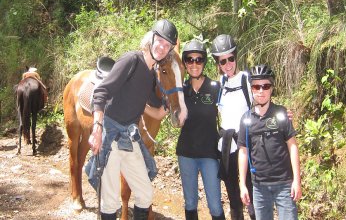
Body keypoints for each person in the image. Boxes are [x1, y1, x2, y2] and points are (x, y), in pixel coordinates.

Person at [89, 19, 180, 220]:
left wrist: (171, 108)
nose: (162, 48)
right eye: (160, 41)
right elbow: (101, 92)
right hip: (110, 133)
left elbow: (152, 112)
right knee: (110, 199)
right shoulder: (131, 60)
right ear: (152, 38)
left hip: (129, 136)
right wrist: (97, 128)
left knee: (145, 193)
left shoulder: (151, 74)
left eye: (167, 46)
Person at [237, 64, 302, 220]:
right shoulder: (246, 119)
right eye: (256, 86)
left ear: (271, 88)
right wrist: (242, 185)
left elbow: (292, 146)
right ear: (251, 88)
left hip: (284, 184)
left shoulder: (281, 113)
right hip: (259, 186)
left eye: (265, 86)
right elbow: (243, 152)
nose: (261, 91)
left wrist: (297, 181)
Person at [176, 39, 225, 220]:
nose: (194, 64)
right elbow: (161, 108)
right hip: (186, 153)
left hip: (209, 154)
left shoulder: (215, 88)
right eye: (189, 59)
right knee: (190, 203)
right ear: (185, 63)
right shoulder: (180, 90)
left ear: (204, 62)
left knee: (215, 204)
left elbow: (237, 108)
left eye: (198, 59)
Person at [211, 34, 256, 220]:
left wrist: (282, 114)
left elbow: (262, 102)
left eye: (231, 58)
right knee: (231, 191)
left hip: (245, 143)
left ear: (236, 57)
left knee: (250, 189)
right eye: (223, 61)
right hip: (226, 145)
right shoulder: (220, 84)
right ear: (218, 64)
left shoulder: (247, 79)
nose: (228, 64)